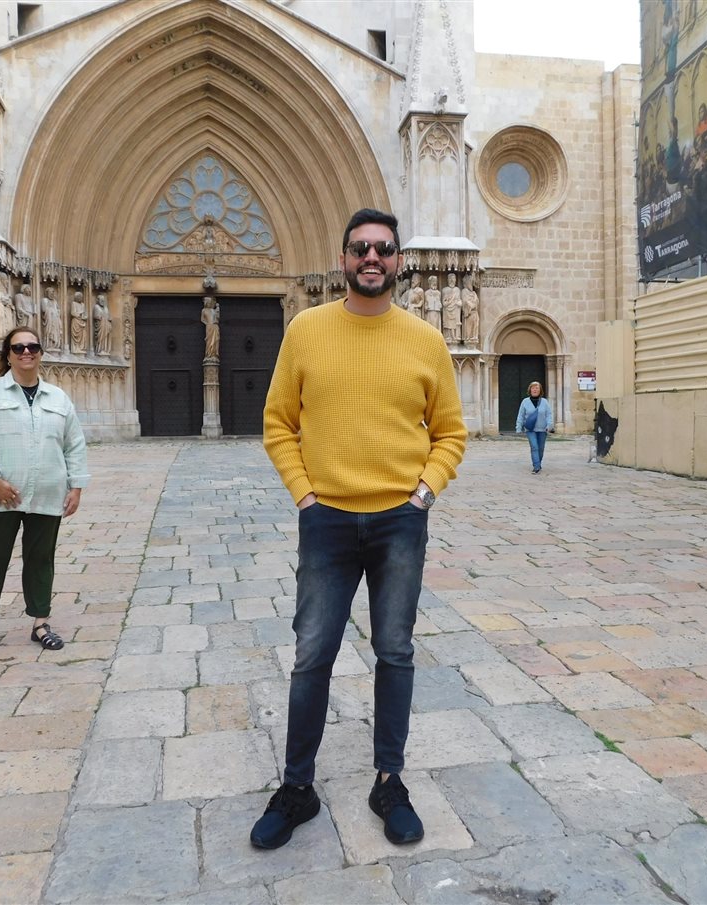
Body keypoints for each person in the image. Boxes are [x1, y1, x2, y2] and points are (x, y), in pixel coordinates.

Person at [256, 208, 466, 850]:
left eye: (383, 249)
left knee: (395, 651)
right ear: (342, 260)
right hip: (327, 522)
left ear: (398, 261)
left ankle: (389, 781)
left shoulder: (426, 341)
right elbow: (278, 423)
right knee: (312, 654)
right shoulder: (306, 330)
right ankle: (297, 788)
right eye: (359, 249)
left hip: (401, 521)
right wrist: (307, 497)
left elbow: (452, 432)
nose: (371, 259)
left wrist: (423, 494)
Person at [0, 327, 89, 664]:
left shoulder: (58, 398)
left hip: (47, 494)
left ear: (41, 353)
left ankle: (40, 624)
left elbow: (74, 444)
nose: (26, 352)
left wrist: (76, 486)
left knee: (41, 560)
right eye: (18, 347)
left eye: (33, 346)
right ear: (8, 354)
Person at [514, 381, 554, 473]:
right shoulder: (525, 401)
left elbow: (549, 415)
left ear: (540, 390)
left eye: (537, 388)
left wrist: (549, 425)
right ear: (530, 390)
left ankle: (538, 463)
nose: (535, 390)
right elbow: (521, 415)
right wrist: (518, 427)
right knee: (534, 447)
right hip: (530, 429)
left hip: (542, 429)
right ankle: (536, 466)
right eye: (533, 388)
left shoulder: (544, 402)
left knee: (541, 448)